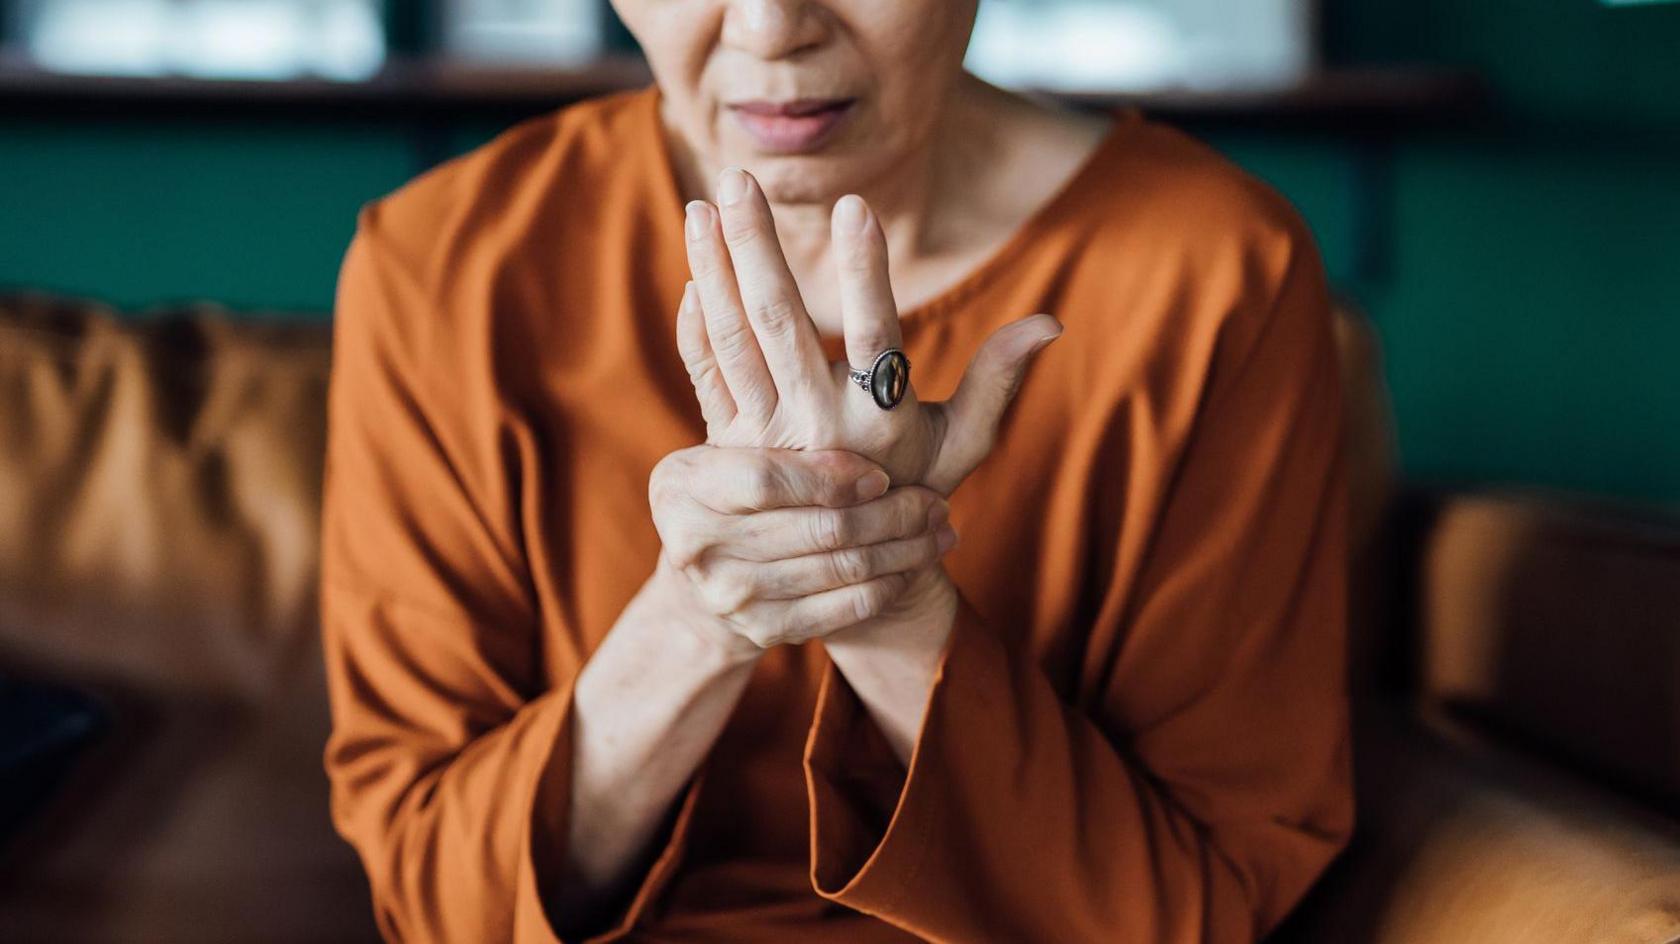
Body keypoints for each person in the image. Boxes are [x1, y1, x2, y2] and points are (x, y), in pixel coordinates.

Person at [319, 1, 1354, 941]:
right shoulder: (440, 269)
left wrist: (888, 594)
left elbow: (1204, 906)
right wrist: (699, 620)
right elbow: (437, 897)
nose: (770, 28)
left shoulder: (1215, 274)